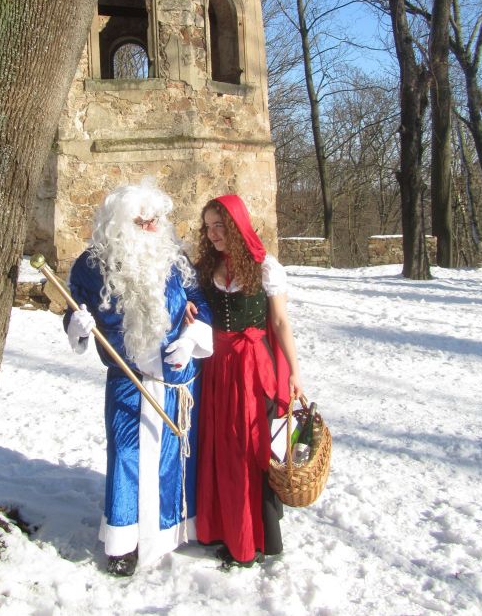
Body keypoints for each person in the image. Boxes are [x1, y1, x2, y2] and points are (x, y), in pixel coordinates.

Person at [63, 181, 213, 577]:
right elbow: (74, 309)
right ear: (119, 224)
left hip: (178, 382)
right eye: (141, 221)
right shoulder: (91, 266)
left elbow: (203, 305)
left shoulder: (176, 259)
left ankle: (174, 529)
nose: (150, 228)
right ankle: (123, 543)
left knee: (174, 457)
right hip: (128, 379)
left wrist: (192, 337)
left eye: (155, 220)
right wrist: (77, 324)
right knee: (127, 455)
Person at [192, 194, 303, 569]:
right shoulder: (207, 267)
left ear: (237, 224)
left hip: (252, 368)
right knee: (217, 447)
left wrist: (295, 373)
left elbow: (281, 323)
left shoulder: (265, 266)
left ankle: (253, 538)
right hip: (216, 367)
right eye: (208, 227)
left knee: (246, 449)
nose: (213, 234)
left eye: (219, 225)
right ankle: (223, 527)